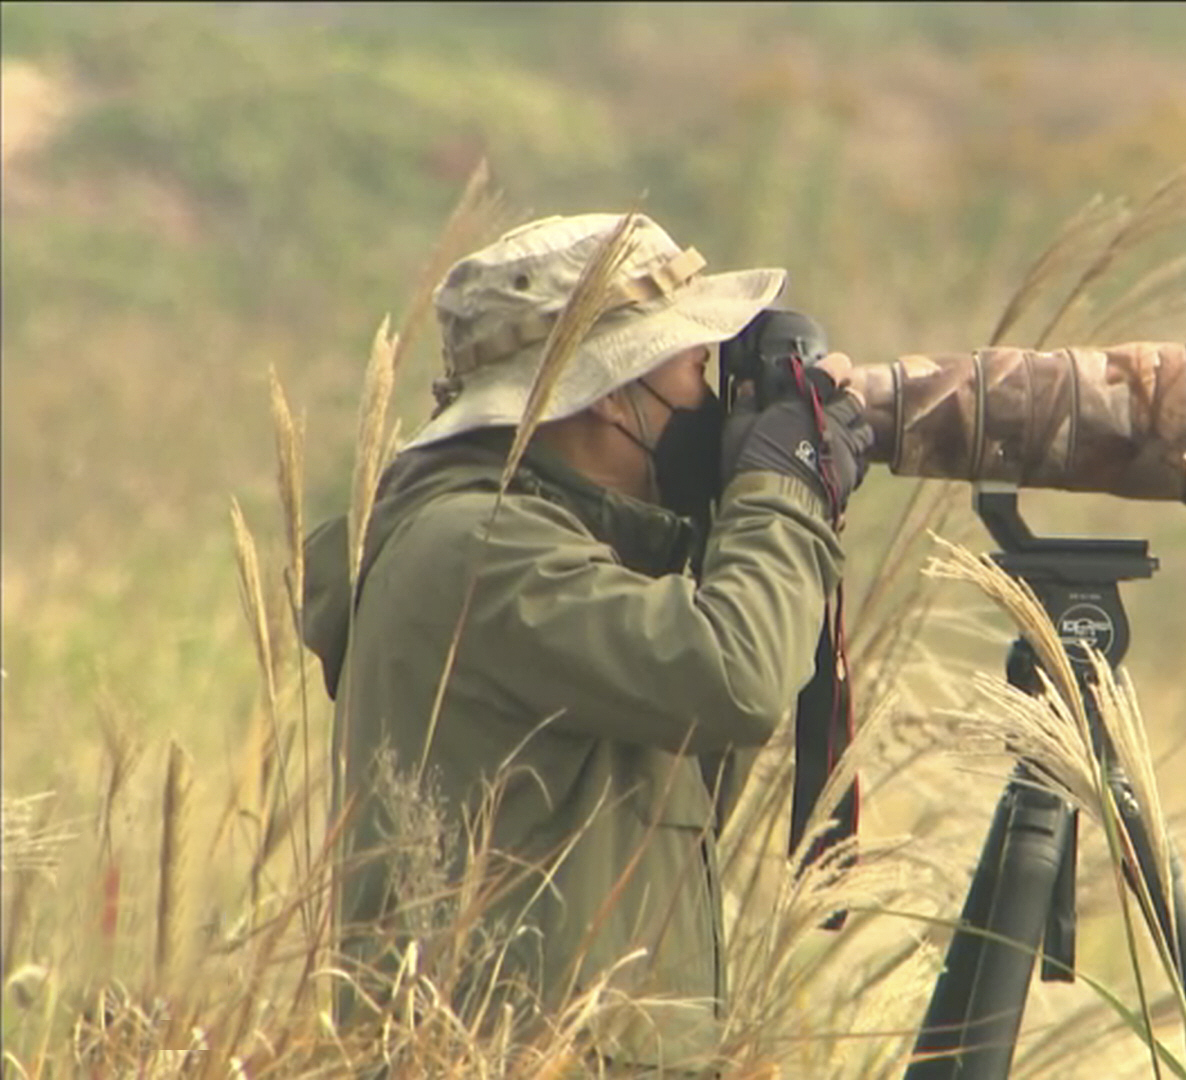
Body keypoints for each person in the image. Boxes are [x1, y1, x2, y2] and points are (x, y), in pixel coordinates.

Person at [299, 212, 872, 1076]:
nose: (709, 404)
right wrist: (783, 488)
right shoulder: (479, 552)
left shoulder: (553, 552)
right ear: (610, 388)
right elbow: (738, 677)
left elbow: (691, 761)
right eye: (695, 370)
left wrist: (727, 509)